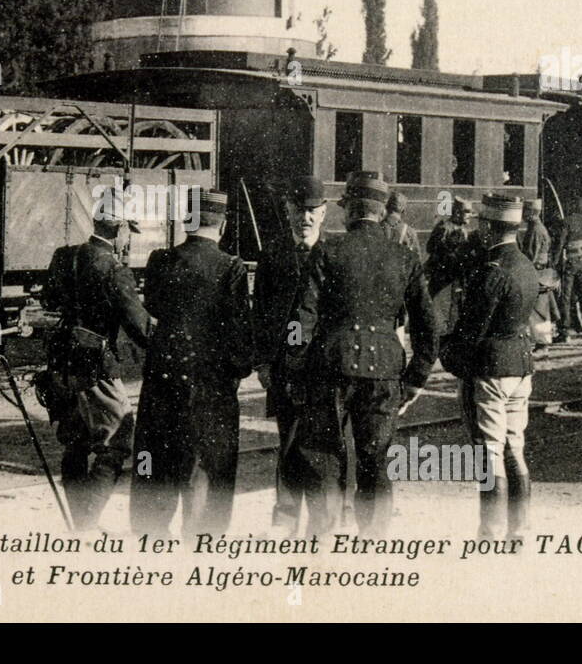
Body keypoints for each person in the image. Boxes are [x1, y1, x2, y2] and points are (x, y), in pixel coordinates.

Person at [284, 171, 437, 535]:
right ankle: (373, 542)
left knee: (323, 457)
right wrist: (416, 377)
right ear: (383, 212)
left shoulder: (328, 250)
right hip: (384, 372)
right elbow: (428, 326)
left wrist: (294, 367)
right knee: (376, 460)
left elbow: (300, 319)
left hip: (330, 368)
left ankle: (322, 543)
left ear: (348, 210)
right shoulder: (404, 256)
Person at [131, 190, 254, 535]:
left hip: (162, 380)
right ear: (224, 225)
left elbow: (152, 311)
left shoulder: (159, 261)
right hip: (210, 386)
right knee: (206, 468)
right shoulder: (231, 267)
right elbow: (240, 335)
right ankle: (201, 546)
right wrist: (238, 370)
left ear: (188, 220)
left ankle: (150, 540)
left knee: (155, 463)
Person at [41, 196, 150, 530]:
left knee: (74, 441)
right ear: (118, 230)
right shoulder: (115, 270)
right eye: (128, 230)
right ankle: (86, 522)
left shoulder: (64, 256)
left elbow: (48, 299)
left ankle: (78, 521)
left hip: (61, 361)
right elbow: (140, 327)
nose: (129, 238)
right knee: (118, 438)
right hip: (95, 367)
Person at [445, 194, 538, 540]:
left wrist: (449, 355)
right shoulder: (526, 265)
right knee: (515, 446)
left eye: (482, 224)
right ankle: (519, 530)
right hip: (521, 366)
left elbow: (471, 329)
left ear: (488, 227)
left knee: (489, 451)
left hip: (491, 369)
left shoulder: (493, 272)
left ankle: (492, 533)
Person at [252, 175, 327, 535]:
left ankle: (323, 525)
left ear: (324, 213)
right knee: (289, 444)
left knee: (325, 448)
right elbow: (261, 313)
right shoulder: (273, 254)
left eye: (313, 211)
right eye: (299, 210)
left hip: (323, 369)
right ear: (288, 210)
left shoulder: (332, 254)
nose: (306, 217)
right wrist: (263, 362)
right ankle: (284, 522)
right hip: (284, 368)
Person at [425, 197, 476, 337]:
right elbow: (431, 250)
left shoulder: (464, 230)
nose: (470, 215)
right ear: (457, 212)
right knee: (439, 320)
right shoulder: (443, 228)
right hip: (442, 283)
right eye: (467, 212)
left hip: (457, 283)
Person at [554, 196, 582, 343]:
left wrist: (554, 263)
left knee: (565, 298)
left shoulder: (566, 222)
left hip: (570, 263)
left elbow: (560, 244)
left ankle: (564, 332)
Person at [518, 197, 558, 348]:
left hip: (536, 272)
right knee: (540, 308)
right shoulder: (539, 228)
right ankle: (541, 342)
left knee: (538, 310)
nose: (522, 214)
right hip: (541, 271)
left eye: (525, 211)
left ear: (531, 213)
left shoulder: (534, 230)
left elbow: (530, 255)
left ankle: (542, 343)